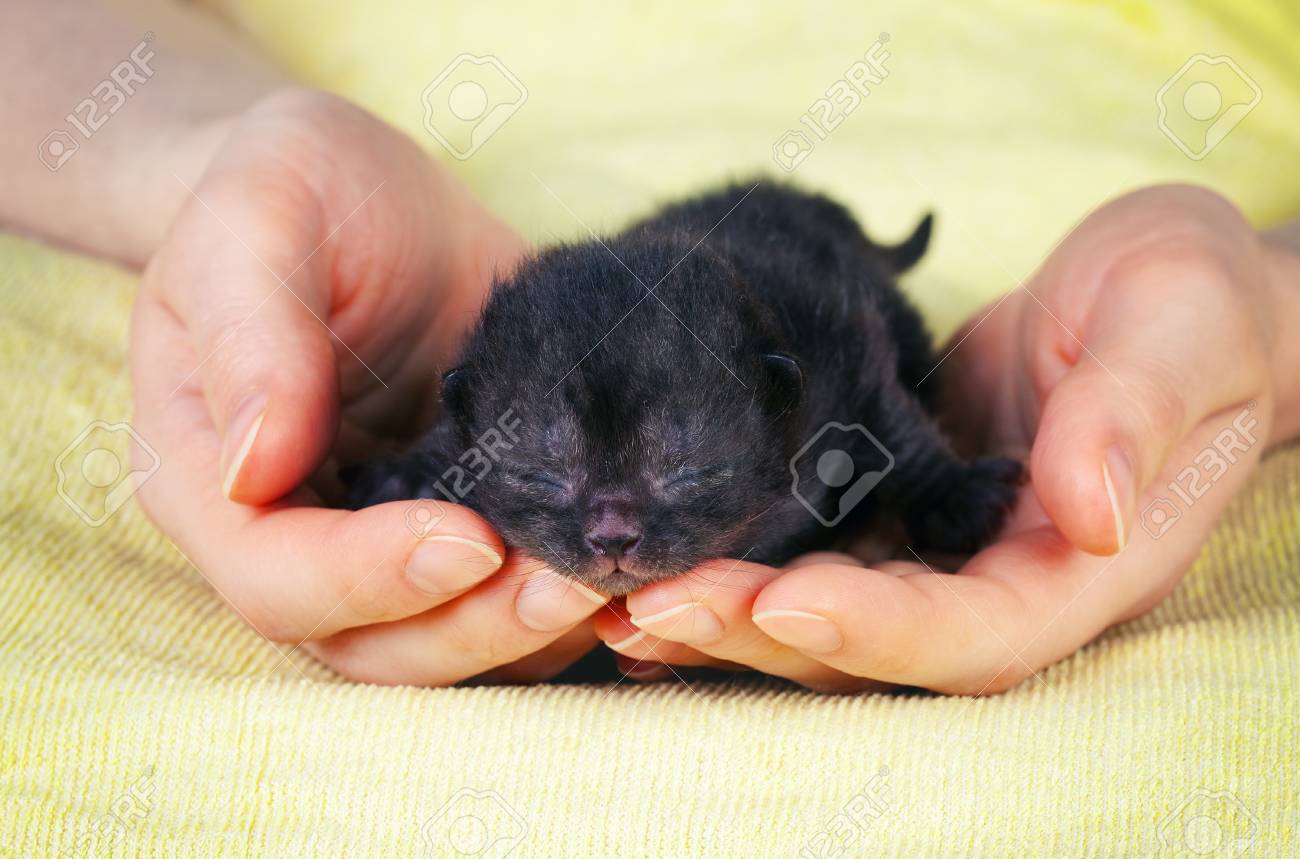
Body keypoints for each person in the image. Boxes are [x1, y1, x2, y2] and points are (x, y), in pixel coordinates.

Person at [4, 0, 1298, 694]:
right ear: (472, 411)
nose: (615, 533)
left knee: (886, 329)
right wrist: (209, 159)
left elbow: (878, 389)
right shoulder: (497, 389)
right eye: (549, 476)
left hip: (794, 254)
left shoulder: (819, 377)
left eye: (679, 472)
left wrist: (1268, 313)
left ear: (779, 407)